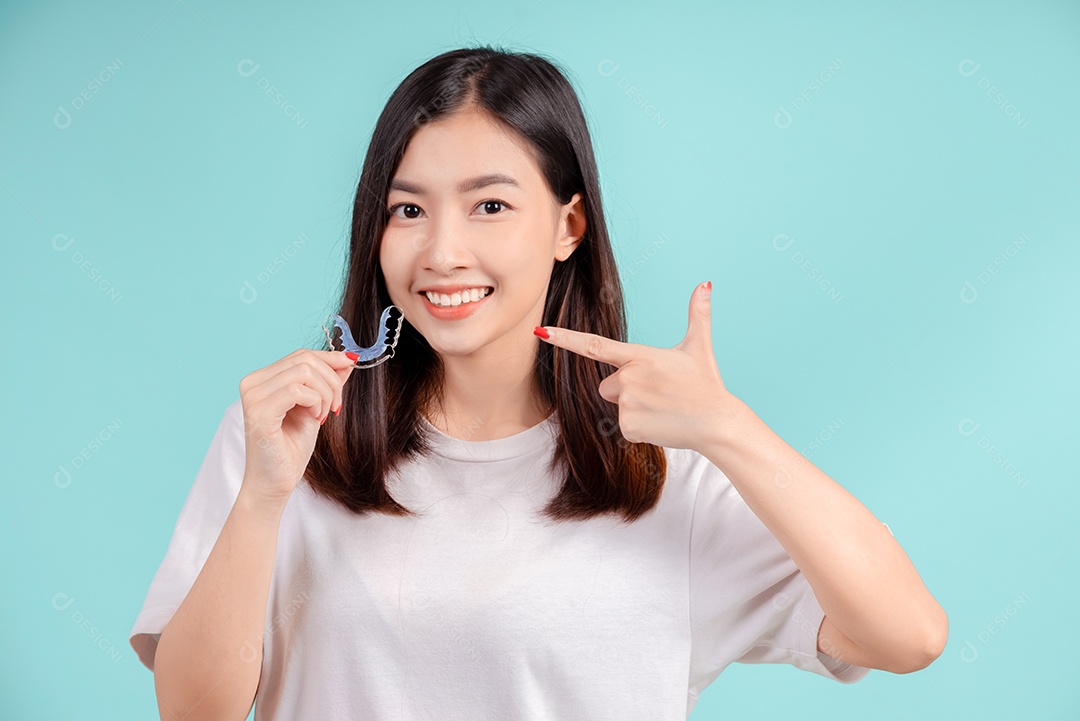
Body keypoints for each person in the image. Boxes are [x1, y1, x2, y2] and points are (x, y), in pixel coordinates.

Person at [129, 45, 947, 720]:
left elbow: (907, 634)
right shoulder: (288, 436)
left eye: (489, 206)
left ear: (568, 225)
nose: (442, 252)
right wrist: (262, 496)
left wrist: (729, 428)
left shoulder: (664, 470)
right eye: (407, 210)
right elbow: (193, 712)